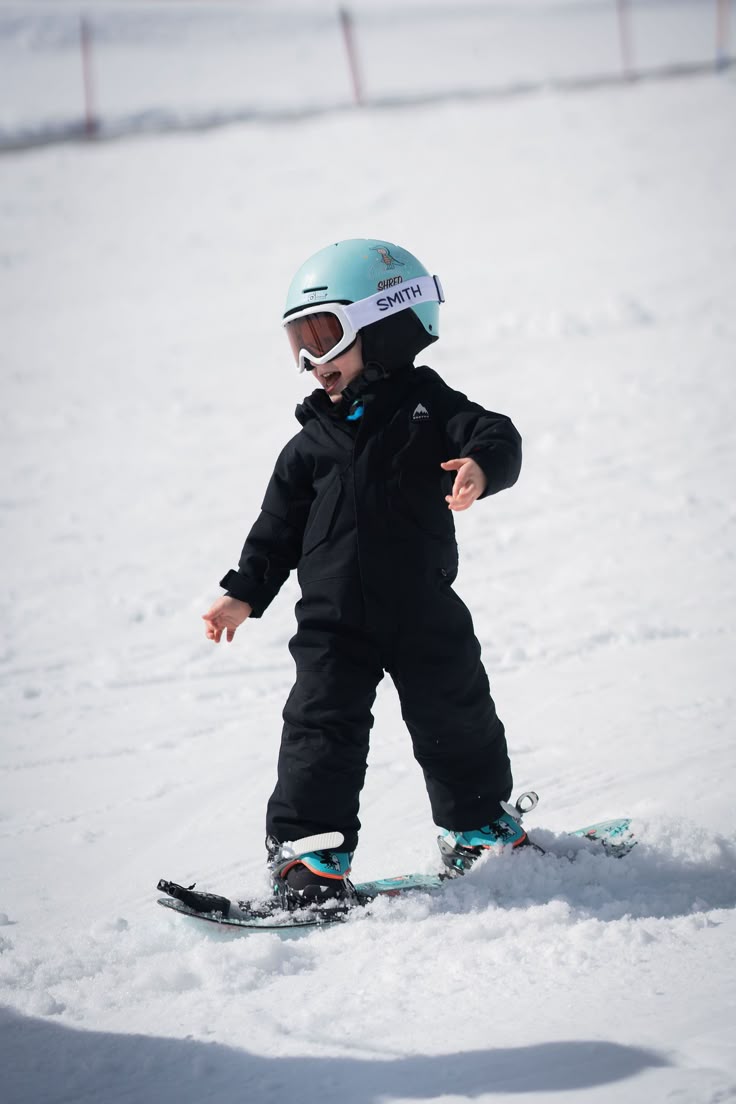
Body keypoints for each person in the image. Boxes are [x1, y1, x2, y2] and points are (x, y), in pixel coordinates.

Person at [202, 238, 525, 908]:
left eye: (325, 337)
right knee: (320, 731)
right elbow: (276, 532)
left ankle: (478, 830)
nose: (311, 361)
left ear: (385, 326)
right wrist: (242, 593)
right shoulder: (306, 448)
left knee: (458, 716)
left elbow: (495, 432)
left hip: (422, 610)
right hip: (333, 625)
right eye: (299, 343)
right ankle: (309, 858)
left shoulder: (429, 408)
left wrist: (481, 465)